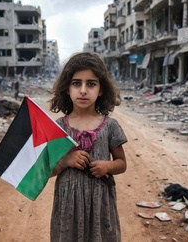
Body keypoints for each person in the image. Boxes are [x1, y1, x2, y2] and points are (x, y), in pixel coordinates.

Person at [49, 51, 127, 242]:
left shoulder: (110, 125)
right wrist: (66, 160)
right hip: (68, 205)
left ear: (101, 90)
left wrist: (107, 166)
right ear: (67, 88)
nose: (83, 90)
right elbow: (48, 170)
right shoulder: (58, 127)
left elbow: (122, 163)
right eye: (77, 83)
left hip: (100, 205)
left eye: (91, 84)